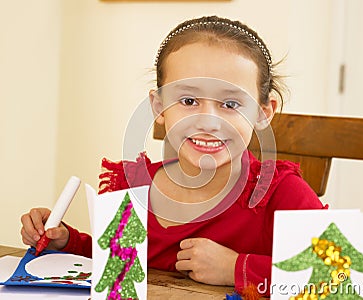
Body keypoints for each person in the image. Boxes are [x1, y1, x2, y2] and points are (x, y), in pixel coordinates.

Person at [20, 15, 326, 296]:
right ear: (158, 107)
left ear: (263, 112)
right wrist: (67, 242)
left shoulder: (280, 193)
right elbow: (118, 266)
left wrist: (236, 268)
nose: (208, 121)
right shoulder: (132, 186)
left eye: (230, 104)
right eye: (189, 100)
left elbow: (344, 280)